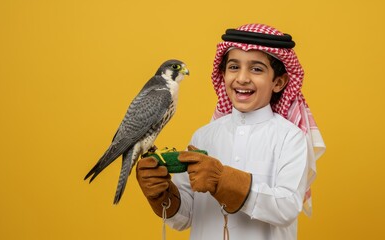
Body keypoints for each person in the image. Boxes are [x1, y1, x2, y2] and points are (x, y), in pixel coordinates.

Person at [136, 23, 326, 240]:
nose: (242, 78)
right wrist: (163, 195)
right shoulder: (203, 136)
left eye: (256, 69)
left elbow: (287, 208)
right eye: (234, 67)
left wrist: (225, 181)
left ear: (279, 82)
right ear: (223, 74)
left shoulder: (290, 137)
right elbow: (186, 217)